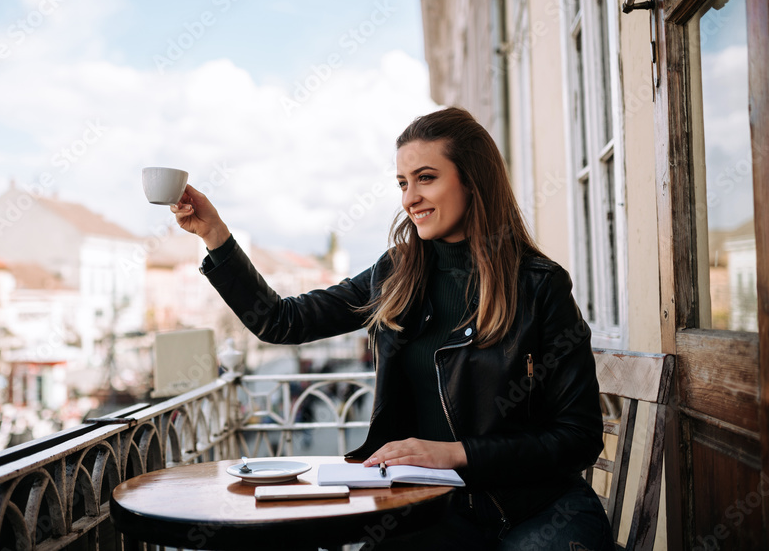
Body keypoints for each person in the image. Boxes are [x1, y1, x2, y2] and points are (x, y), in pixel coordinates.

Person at [171, 107, 613, 550]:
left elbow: (578, 436)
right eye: (403, 183)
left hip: (537, 508)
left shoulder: (537, 284)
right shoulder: (396, 273)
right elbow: (283, 321)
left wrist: (455, 455)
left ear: (473, 180)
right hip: (432, 509)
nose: (409, 199)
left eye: (426, 178)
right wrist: (215, 236)